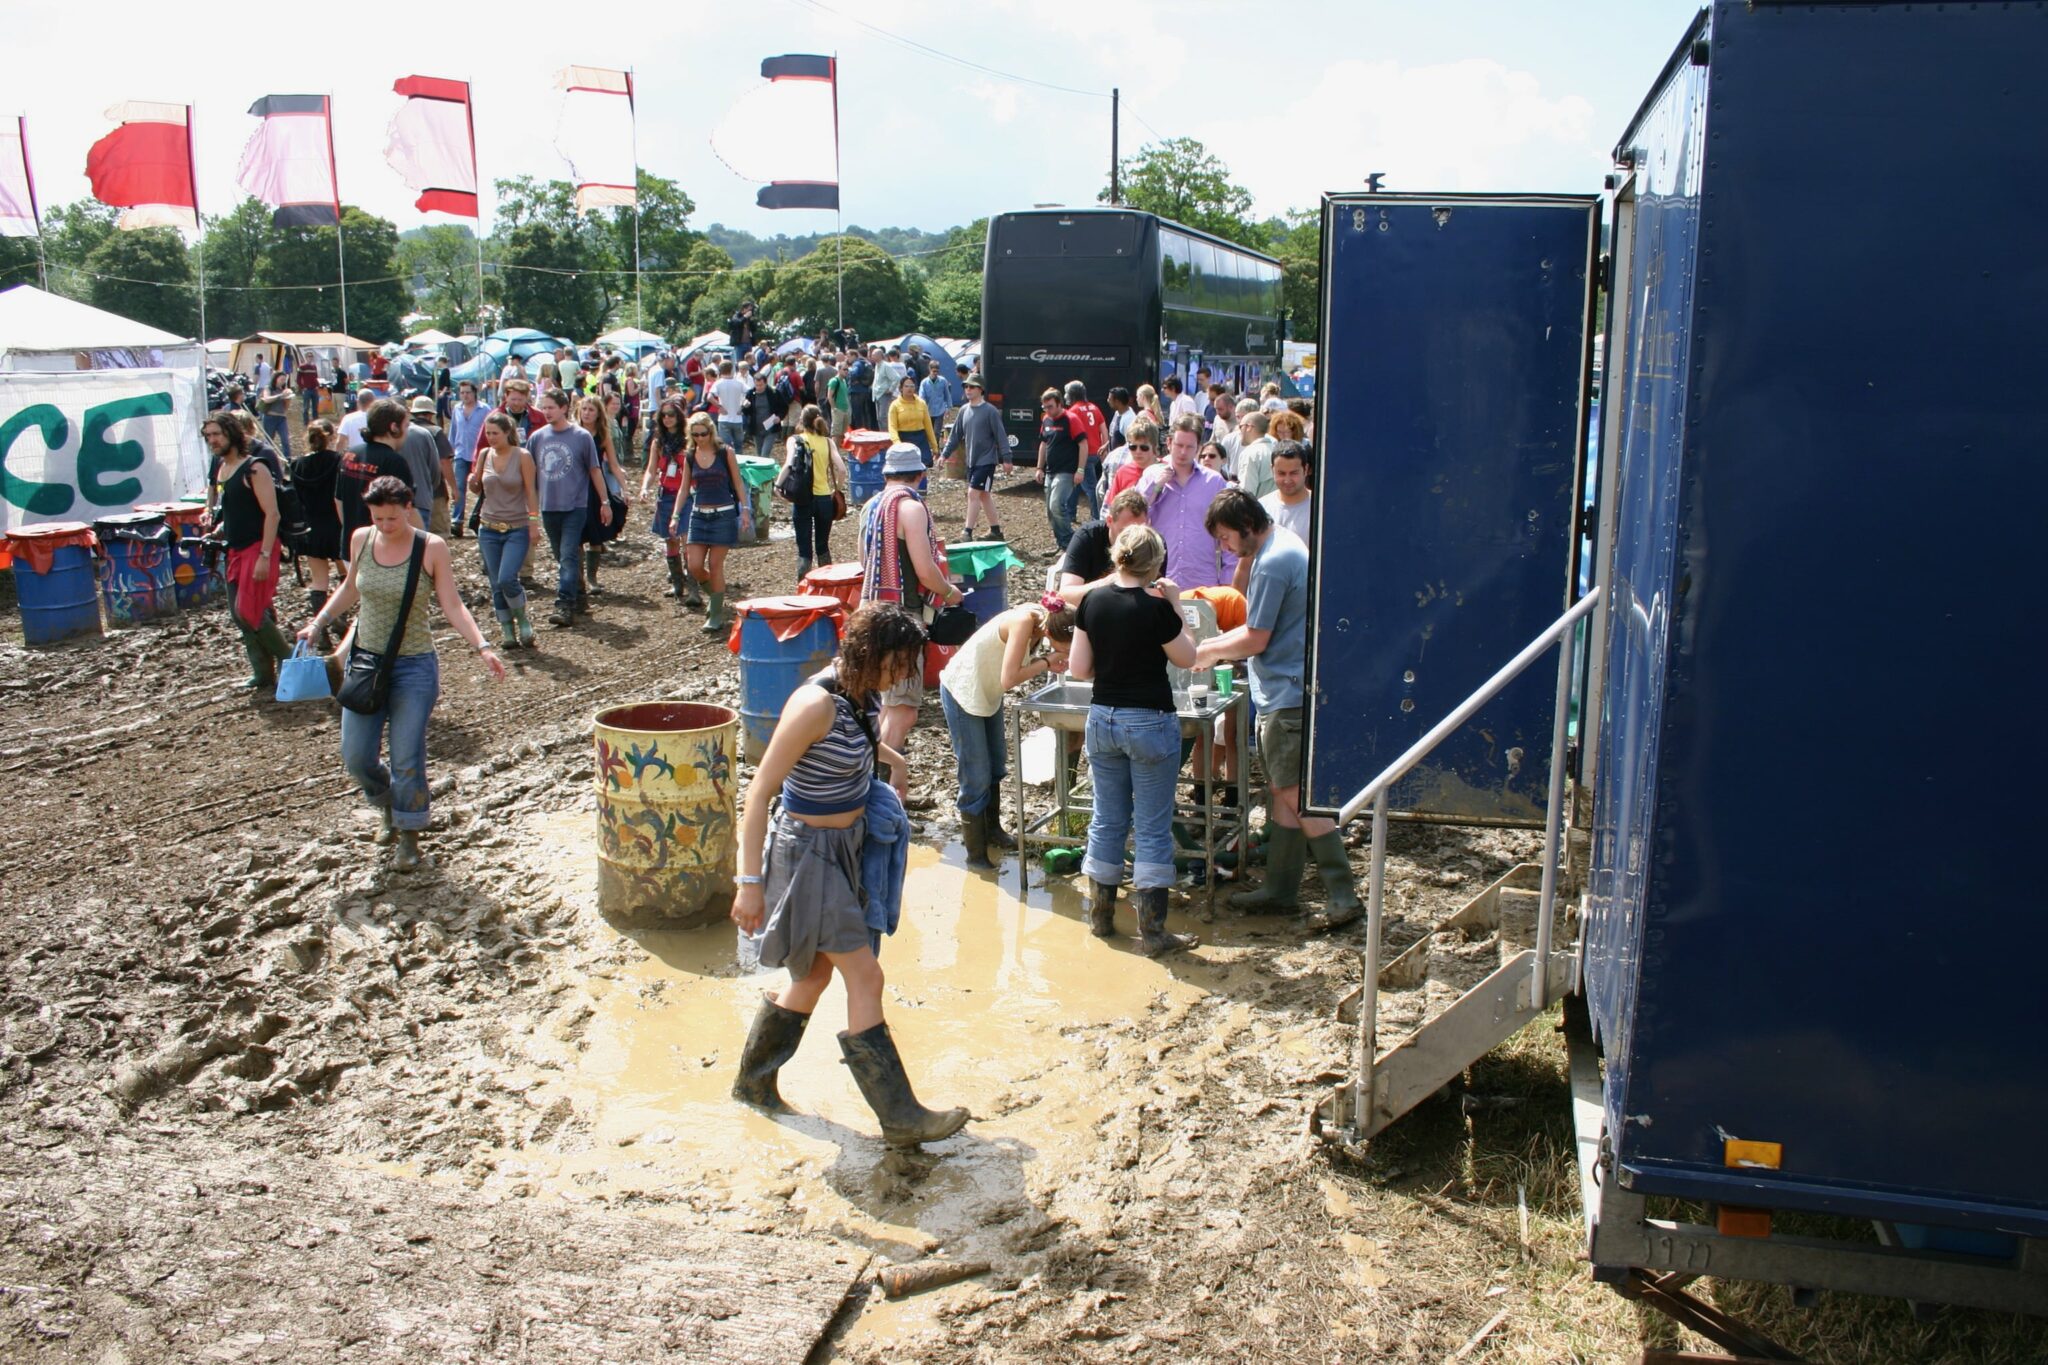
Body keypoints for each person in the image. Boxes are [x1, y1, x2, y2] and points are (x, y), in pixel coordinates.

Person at [729, 603, 969, 1148]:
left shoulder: (863, 694)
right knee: (866, 977)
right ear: (866, 654)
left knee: (812, 977)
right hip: (806, 855)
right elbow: (758, 793)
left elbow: (858, 740)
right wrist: (749, 885)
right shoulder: (813, 704)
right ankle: (901, 1117)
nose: (902, 676)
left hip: (844, 850)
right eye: (896, 664)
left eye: (908, 666)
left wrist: (895, 762)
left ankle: (754, 1084)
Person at [301, 476, 507, 870]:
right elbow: (350, 588)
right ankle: (386, 805)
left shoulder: (431, 547)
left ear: (408, 508)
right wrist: (318, 622)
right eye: (377, 518)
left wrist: (482, 646)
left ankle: (409, 836)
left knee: (406, 757)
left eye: (392, 518)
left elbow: (452, 604)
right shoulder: (361, 539)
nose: (384, 525)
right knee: (356, 756)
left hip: (414, 667)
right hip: (366, 663)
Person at [1194, 490, 1360, 929]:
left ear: (1247, 526)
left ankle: (1343, 893)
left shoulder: (1271, 562)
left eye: (1226, 537)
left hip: (1287, 693)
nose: (1225, 547)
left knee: (1295, 795)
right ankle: (1281, 889)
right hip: (1286, 688)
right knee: (1283, 791)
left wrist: (1207, 650)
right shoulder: (1282, 544)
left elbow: (1255, 638)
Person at [1067, 524, 1200, 956]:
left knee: (1107, 819)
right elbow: (1188, 657)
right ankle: (1154, 933)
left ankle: (1101, 918)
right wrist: (1176, 603)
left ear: (1116, 556)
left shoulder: (1092, 601)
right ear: (1155, 564)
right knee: (1152, 826)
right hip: (1149, 720)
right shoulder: (1157, 608)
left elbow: (1078, 669)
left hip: (1103, 717)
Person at [859, 444, 965, 792]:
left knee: (882, 703)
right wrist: (949, 592)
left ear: (887, 473)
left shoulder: (871, 507)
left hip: (872, 613)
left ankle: (870, 782)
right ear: (920, 475)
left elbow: (864, 562)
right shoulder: (911, 508)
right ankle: (880, 789)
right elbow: (925, 569)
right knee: (903, 709)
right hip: (903, 617)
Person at [939, 594, 1074, 867]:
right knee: (976, 774)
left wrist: (1049, 658)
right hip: (963, 691)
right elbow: (1009, 678)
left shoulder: (1045, 620)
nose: (1070, 651)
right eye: (1068, 646)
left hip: (987, 692)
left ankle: (993, 831)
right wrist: (1047, 661)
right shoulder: (1023, 621)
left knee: (996, 765)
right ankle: (976, 855)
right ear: (1051, 633)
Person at [202, 411, 294, 692]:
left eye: (217, 434)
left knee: (248, 610)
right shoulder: (222, 468)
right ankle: (263, 672)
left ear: (231, 433)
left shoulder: (255, 468)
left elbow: (272, 514)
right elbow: (235, 509)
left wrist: (265, 556)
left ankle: (290, 659)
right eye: (208, 436)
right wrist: (219, 530)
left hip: (258, 547)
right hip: (235, 550)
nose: (212, 440)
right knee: (240, 613)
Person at [532, 387, 610, 627]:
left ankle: (564, 605)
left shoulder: (581, 437)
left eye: (551, 407)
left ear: (564, 408)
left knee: (568, 555)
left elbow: (595, 471)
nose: (546, 412)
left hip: (575, 506)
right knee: (562, 556)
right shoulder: (537, 438)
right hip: (548, 506)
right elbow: (530, 474)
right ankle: (580, 594)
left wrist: (605, 502)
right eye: (544, 407)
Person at [469, 411, 542, 648]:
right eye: (488, 433)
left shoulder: (522, 456)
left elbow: (530, 491)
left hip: (516, 526)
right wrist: (472, 482)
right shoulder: (484, 455)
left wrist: (533, 522)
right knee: (495, 583)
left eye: (495, 433)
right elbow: (478, 489)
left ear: (507, 432)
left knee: (507, 577)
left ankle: (522, 619)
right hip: (488, 527)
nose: (491, 437)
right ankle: (507, 629)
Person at [1138, 416, 1235, 589]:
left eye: (1189, 447)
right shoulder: (1151, 476)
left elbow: (1229, 532)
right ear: (1169, 443)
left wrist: (1228, 580)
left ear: (1199, 448)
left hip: (1202, 581)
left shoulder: (1214, 482)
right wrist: (1156, 486)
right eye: (1179, 445)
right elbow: (1136, 518)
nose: (1183, 452)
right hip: (1158, 579)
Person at [679, 411, 751, 634]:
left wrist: (745, 510)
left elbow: (738, 483)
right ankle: (716, 597)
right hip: (699, 515)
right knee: (694, 565)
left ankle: (716, 615)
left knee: (715, 564)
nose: (700, 438)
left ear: (711, 432)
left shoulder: (724, 452)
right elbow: (684, 488)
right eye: (695, 435)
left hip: (723, 514)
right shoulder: (690, 456)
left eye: (703, 434)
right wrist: (675, 515)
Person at [640, 398, 702, 609]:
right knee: (670, 540)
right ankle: (678, 585)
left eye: (671, 415)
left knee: (688, 540)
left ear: (679, 417)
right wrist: (645, 487)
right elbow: (651, 469)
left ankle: (693, 588)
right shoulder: (658, 442)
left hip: (688, 495)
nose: (667, 418)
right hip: (666, 494)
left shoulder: (689, 440)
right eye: (664, 415)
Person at [292, 419, 346, 652]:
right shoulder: (339, 461)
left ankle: (321, 633)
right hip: (336, 525)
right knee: (346, 575)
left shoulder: (297, 465)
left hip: (311, 528)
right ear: (331, 436)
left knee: (318, 582)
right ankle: (339, 617)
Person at [336, 400, 420, 547]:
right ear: (394, 427)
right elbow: (408, 509)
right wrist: (423, 546)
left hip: (351, 543)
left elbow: (338, 500)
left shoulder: (350, 454)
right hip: (383, 548)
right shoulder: (395, 462)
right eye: (406, 426)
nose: (407, 432)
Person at [1054, 489, 1155, 607]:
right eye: (1125, 532)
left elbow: (1157, 595)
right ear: (1109, 521)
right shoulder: (1088, 537)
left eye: (1138, 531)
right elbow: (1066, 595)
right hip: (1091, 609)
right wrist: (1109, 583)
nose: (1131, 539)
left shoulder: (1151, 544)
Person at [939, 374, 1008, 542]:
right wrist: (944, 454)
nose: (968, 389)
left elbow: (1001, 436)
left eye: (972, 386)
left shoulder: (990, 411)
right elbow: (955, 435)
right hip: (971, 461)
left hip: (987, 461)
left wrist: (1007, 458)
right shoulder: (964, 410)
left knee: (973, 493)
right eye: (966, 386)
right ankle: (996, 531)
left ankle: (967, 532)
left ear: (980, 389)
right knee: (983, 495)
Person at [784, 403, 848, 582]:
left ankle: (803, 586)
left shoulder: (795, 440)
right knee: (823, 546)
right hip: (824, 499)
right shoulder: (828, 442)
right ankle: (826, 585)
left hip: (803, 498)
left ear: (802, 421)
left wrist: (778, 486)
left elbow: (788, 465)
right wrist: (837, 489)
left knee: (804, 550)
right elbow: (842, 470)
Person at [577, 394, 631, 596]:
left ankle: (592, 578)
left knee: (596, 532)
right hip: (576, 486)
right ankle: (578, 578)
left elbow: (614, 465)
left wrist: (624, 488)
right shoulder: (572, 432)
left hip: (596, 486)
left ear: (598, 413)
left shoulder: (602, 435)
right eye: (584, 409)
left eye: (591, 410)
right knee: (576, 533)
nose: (587, 413)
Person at [1034, 387, 1086, 552]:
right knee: (1050, 511)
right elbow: (1043, 444)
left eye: (1050, 406)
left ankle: (1070, 542)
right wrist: (1039, 467)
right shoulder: (1046, 420)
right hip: (1050, 471)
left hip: (1067, 471)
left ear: (1059, 404)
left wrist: (1080, 470)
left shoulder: (1071, 419)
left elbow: (1083, 444)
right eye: (1044, 407)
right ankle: (1062, 543)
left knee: (1057, 505)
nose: (1047, 411)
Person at [404, 395, 456, 537]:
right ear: (430, 414)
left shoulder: (403, 432)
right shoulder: (435, 432)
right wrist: (454, 488)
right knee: (439, 532)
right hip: (434, 491)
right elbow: (444, 462)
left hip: (407, 493)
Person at [1060, 380, 1107, 527]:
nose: (1065, 396)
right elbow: (1103, 430)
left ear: (1072, 394)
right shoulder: (1094, 408)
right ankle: (1070, 513)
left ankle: (1096, 517)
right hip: (1095, 452)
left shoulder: (1073, 411)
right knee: (1076, 483)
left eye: (1067, 393)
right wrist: (1104, 448)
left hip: (1082, 454)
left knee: (1091, 488)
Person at [445, 380, 489, 535]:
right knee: (459, 487)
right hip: (461, 454)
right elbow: (453, 431)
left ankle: (478, 518)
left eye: (468, 392)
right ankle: (457, 521)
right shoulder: (457, 409)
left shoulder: (485, 409)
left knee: (483, 488)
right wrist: (450, 450)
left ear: (474, 393)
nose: (465, 395)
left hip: (480, 455)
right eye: (462, 392)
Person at [1261, 440, 1313, 540]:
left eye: (1294, 473)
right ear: (1272, 470)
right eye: (1281, 473)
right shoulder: (1261, 509)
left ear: (1306, 469)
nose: (1287, 480)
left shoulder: (1320, 508)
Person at [886, 373, 937, 472]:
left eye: (912, 386)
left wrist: (934, 446)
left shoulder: (921, 403)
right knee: (906, 469)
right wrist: (897, 443)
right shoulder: (895, 405)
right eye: (906, 386)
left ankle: (922, 482)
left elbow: (928, 426)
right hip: (903, 438)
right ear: (901, 388)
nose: (909, 388)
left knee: (923, 466)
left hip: (920, 438)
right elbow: (892, 427)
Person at [1106, 419, 1160, 499]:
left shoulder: (1165, 470)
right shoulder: (1122, 473)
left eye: (1144, 447)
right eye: (1133, 447)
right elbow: (1112, 504)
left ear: (1154, 447)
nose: (1138, 451)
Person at [1235, 410, 1278, 499]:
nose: (1239, 432)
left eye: (1240, 427)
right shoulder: (1277, 450)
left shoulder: (1250, 453)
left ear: (1249, 427)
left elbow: (1247, 492)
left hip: (1258, 506)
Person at [711, 359, 749, 453]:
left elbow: (709, 397)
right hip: (737, 418)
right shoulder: (739, 382)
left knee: (726, 447)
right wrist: (742, 407)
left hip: (724, 418)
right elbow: (750, 394)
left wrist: (720, 407)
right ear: (732, 369)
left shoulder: (718, 383)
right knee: (738, 446)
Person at [256, 369, 293, 457]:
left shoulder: (284, 390)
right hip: (270, 417)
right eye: (281, 379)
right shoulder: (268, 388)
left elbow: (285, 408)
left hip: (281, 418)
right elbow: (267, 399)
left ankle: (288, 459)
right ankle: (265, 458)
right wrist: (280, 396)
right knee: (269, 441)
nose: (283, 382)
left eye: (284, 380)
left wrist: (288, 398)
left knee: (285, 440)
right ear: (276, 379)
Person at [918, 359, 952, 433]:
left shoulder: (943, 381)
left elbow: (947, 395)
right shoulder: (924, 383)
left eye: (937, 371)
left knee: (936, 432)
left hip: (940, 411)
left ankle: (936, 440)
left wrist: (948, 408)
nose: (935, 373)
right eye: (934, 371)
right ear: (929, 370)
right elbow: (921, 397)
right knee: (929, 432)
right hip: (928, 411)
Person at [295, 352, 321, 425]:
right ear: (306, 357)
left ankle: (316, 422)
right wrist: (302, 387)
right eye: (309, 356)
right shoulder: (302, 367)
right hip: (307, 390)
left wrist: (317, 385)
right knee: (306, 407)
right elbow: (298, 379)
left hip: (314, 389)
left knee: (315, 407)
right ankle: (306, 422)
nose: (310, 358)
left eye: (311, 356)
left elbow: (315, 377)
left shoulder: (314, 367)